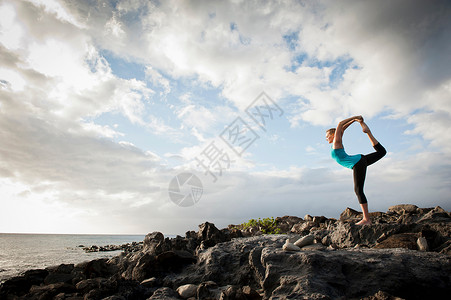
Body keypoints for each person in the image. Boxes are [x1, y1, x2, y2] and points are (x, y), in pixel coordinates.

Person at [326, 116, 386, 225]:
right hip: (360, 160)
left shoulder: (336, 142)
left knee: (358, 190)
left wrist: (356, 117)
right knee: (382, 152)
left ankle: (366, 219)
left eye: (327, 136)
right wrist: (354, 121)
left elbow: (340, 125)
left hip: (357, 163)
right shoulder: (337, 141)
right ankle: (368, 133)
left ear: (333, 135)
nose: (326, 139)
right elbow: (342, 129)